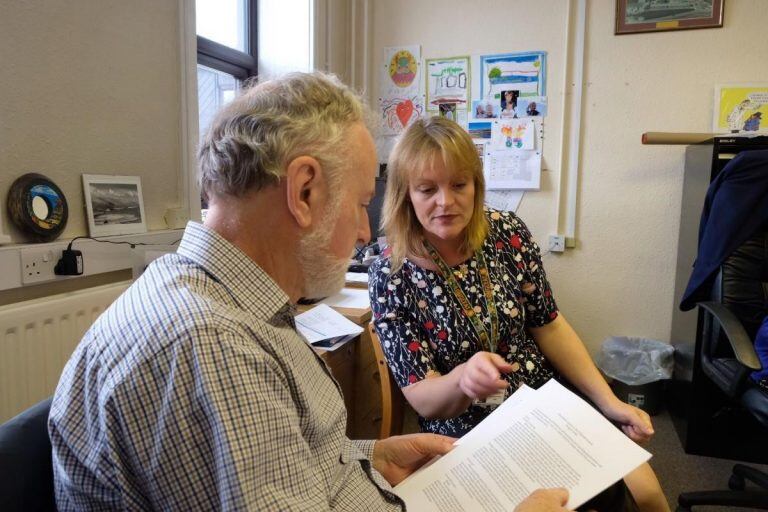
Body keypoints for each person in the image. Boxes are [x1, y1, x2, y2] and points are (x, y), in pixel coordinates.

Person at [48, 72, 569, 511]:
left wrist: (373, 456)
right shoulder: (209, 346)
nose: (366, 234)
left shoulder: (228, 303)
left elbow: (285, 458)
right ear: (303, 192)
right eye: (362, 205)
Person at [369, 116, 669, 511]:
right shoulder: (389, 273)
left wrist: (608, 402)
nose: (446, 201)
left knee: (646, 494)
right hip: (464, 426)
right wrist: (463, 379)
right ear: (405, 194)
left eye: (459, 185)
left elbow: (549, 324)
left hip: (540, 399)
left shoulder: (506, 231)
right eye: (427, 189)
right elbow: (423, 398)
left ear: (476, 184)